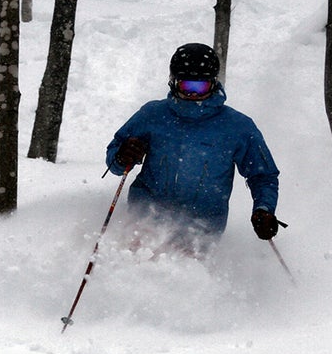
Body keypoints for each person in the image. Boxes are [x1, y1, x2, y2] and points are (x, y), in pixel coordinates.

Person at [105, 43, 280, 256]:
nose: (194, 95)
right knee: (136, 266)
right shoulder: (153, 115)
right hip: (146, 216)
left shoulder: (237, 127)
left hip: (202, 227)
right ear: (173, 82)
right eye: (187, 86)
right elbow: (114, 161)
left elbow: (263, 176)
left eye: (201, 87)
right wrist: (122, 156)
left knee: (181, 278)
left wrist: (264, 209)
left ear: (214, 84)